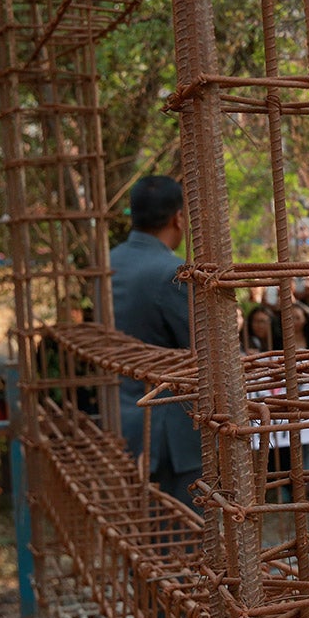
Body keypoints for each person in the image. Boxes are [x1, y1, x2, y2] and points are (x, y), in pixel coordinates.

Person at [109, 175, 199, 511]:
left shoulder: (107, 264)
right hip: (168, 436)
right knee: (181, 531)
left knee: (134, 527)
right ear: (179, 218)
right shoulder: (173, 272)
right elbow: (202, 350)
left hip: (118, 418)